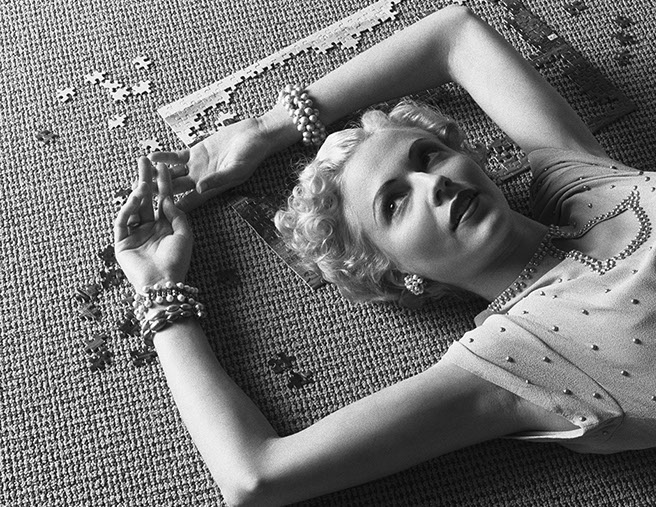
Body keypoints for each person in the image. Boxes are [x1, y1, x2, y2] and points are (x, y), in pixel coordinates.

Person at [114, 5, 656, 506]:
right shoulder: (516, 358)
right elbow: (254, 476)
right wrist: (160, 289)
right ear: (393, 271)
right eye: (394, 203)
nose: (432, 184)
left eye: (429, 158)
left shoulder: (577, 181)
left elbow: (453, 32)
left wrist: (267, 129)